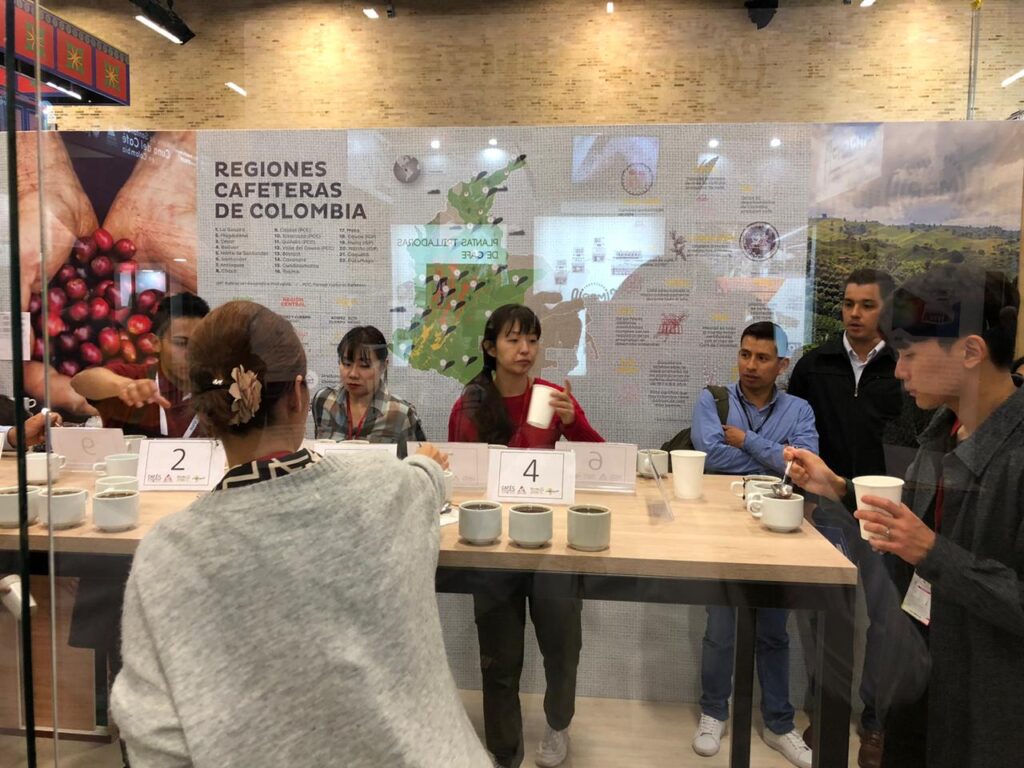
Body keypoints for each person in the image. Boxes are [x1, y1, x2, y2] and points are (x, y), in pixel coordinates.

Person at [110, 300, 491, 768]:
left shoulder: (166, 553)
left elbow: (154, 740)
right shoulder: (390, 489)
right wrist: (426, 464)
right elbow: (426, 478)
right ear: (297, 396)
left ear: (206, 412)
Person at [785, 263, 1024, 768]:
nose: (898, 370)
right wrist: (838, 487)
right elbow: (909, 526)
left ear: (971, 351)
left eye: (911, 354)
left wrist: (933, 552)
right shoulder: (941, 433)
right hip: (918, 682)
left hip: (985, 711)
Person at [448, 304, 603, 768]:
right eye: (513, 339)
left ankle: (558, 725)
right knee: (500, 657)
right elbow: (462, 480)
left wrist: (572, 422)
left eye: (532, 340)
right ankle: (504, 751)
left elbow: (600, 463)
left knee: (563, 647)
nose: (525, 349)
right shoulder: (470, 404)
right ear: (489, 347)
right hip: (493, 544)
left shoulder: (552, 396)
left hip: (550, 541)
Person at [786, 269, 902, 767]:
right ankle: (824, 709)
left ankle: (875, 723)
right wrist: (803, 497)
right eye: (849, 303)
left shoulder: (902, 366)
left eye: (867, 305)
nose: (854, 313)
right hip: (829, 510)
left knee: (887, 620)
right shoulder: (815, 365)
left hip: (886, 514)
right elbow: (794, 434)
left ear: (886, 310)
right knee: (826, 617)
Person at [690, 321, 818, 768]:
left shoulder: (800, 409)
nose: (750, 365)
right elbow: (710, 454)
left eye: (762, 358)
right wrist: (774, 453)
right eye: (745, 354)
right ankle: (713, 713)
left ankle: (779, 724)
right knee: (721, 625)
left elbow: (803, 467)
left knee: (774, 630)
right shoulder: (713, 399)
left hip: (779, 529)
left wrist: (746, 440)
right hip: (721, 526)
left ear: (782, 364)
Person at [70, 292, 210, 437]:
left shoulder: (216, 389)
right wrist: (125, 386)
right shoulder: (137, 377)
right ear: (155, 343)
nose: (192, 353)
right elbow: (81, 382)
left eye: (199, 343)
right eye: (181, 343)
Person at [311, 325, 426, 457]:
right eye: (347, 364)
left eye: (364, 366)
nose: (353, 374)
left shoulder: (401, 413)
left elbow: (417, 464)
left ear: (383, 366)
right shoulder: (324, 400)